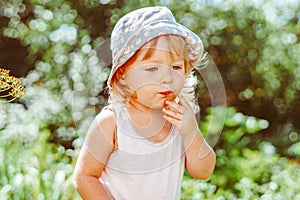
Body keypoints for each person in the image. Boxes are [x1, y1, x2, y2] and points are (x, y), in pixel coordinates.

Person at [74, 6, 216, 200]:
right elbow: (85, 176)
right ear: (122, 75)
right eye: (152, 69)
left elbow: (203, 171)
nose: (167, 77)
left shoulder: (178, 119)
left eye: (175, 66)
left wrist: (191, 132)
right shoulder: (112, 122)